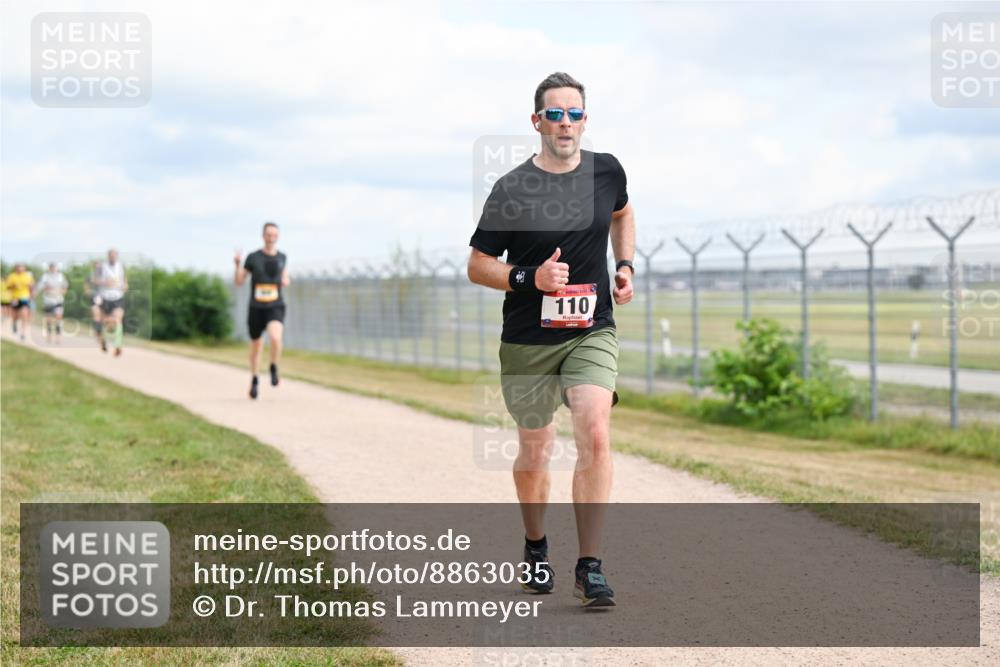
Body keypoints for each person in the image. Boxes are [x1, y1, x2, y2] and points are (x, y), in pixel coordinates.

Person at [467, 73, 635, 608]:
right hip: (528, 339)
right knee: (536, 451)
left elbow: (623, 213)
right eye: (555, 114)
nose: (566, 123)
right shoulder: (512, 188)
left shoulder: (606, 170)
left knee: (594, 429)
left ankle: (590, 565)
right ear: (536, 121)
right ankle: (536, 546)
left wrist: (625, 264)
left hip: (591, 328)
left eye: (575, 113)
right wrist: (529, 278)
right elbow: (478, 265)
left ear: (586, 120)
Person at [234, 221, 290, 399]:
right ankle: (255, 380)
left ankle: (273, 367)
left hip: (275, 305)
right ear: (263, 235)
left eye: (275, 235)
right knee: (256, 347)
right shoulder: (253, 257)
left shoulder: (282, 257)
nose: (272, 238)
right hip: (256, 307)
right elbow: (239, 281)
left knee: (275, 337)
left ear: (278, 236)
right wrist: (237, 265)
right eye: (269, 234)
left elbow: (285, 276)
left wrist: (286, 280)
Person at [97, 249, 128, 356]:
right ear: (108, 256)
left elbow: (124, 281)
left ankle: (118, 345)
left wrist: (125, 286)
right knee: (106, 322)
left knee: (117, 320)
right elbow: (94, 280)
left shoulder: (121, 266)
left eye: (115, 255)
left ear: (117, 256)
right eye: (111, 255)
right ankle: (104, 340)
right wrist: (105, 282)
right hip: (105, 297)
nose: (113, 257)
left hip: (118, 297)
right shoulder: (102, 267)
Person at [37, 262, 69, 343]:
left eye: (54, 267)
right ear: (49, 268)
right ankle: (49, 336)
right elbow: (40, 287)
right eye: (51, 267)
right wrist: (45, 289)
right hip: (48, 300)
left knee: (58, 317)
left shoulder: (61, 276)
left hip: (58, 300)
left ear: (57, 268)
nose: (53, 269)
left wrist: (62, 292)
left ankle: (58, 337)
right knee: (49, 319)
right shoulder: (45, 276)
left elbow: (65, 286)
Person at [5, 263, 36, 341]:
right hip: (15, 298)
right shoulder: (12, 276)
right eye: (18, 267)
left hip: (24, 298)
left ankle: (23, 333)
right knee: (15, 315)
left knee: (24, 314)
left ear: (25, 268)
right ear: (16, 268)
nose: (20, 269)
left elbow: (32, 286)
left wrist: (32, 295)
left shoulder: (28, 276)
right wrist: (13, 286)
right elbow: (7, 287)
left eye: (22, 267)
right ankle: (14, 323)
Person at [84, 259, 104, 347]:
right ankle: (99, 336)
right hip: (95, 298)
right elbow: (86, 285)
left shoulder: (105, 275)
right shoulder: (90, 275)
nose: (98, 267)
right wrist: (88, 291)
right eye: (96, 265)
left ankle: (102, 334)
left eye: (99, 265)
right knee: (96, 317)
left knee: (103, 318)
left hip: (106, 298)